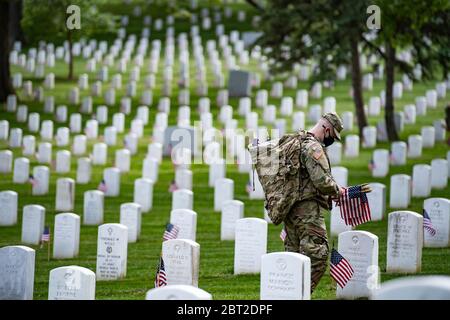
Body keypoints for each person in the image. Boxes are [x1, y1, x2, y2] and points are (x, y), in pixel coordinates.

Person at [283, 112, 345, 293]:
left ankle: (286, 294)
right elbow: (321, 181)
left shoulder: (296, 141)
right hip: (307, 210)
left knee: (293, 257)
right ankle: (299, 294)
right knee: (318, 255)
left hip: (291, 209)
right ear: (326, 129)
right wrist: (337, 190)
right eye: (332, 136)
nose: (331, 141)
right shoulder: (313, 148)